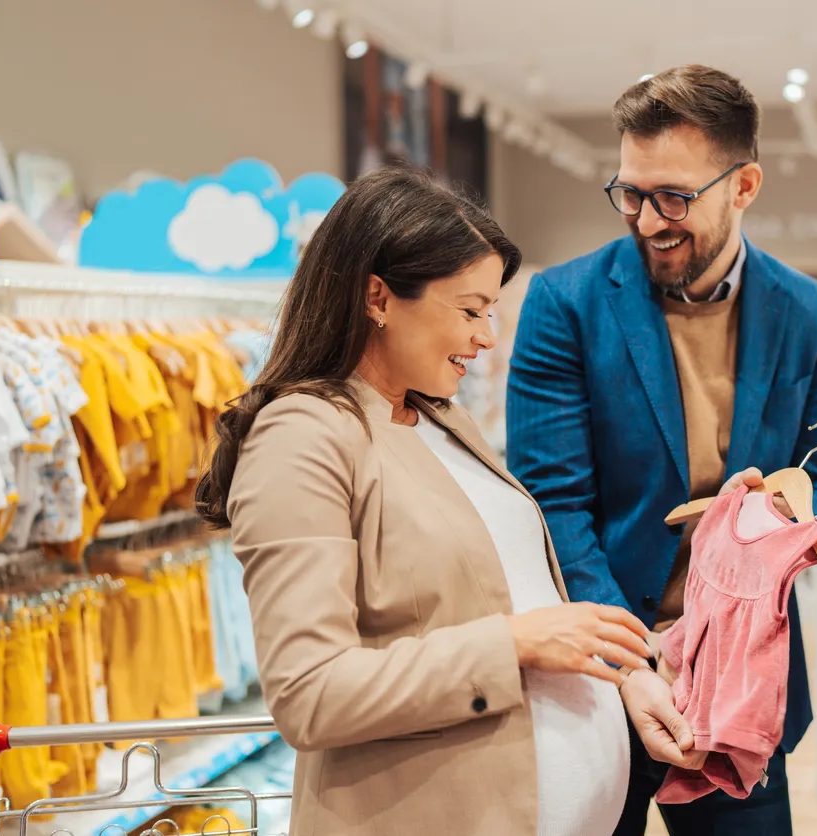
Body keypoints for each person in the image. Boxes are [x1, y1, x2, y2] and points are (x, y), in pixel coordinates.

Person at [195, 165, 703, 836]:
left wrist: (620, 677)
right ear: (378, 297)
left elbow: (512, 595)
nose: (488, 336)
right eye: (470, 310)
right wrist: (514, 644)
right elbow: (309, 693)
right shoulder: (303, 436)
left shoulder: (437, 418)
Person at [506, 65, 817, 834]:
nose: (645, 220)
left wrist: (767, 525)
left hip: (742, 690)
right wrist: (633, 663)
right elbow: (551, 507)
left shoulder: (812, 313)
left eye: (674, 196)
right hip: (598, 682)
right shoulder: (565, 304)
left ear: (744, 186)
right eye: (630, 192)